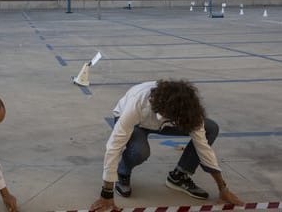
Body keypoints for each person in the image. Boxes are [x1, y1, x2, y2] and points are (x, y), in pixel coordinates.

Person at [90, 79, 243, 212]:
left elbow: (203, 148)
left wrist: (223, 188)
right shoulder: (138, 102)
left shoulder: (188, 109)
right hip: (136, 122)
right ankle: (123, 172)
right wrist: (106, 193)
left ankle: (179, 176)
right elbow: (114, 146)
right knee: (140, 151)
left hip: (163, 121)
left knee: (211, 128)